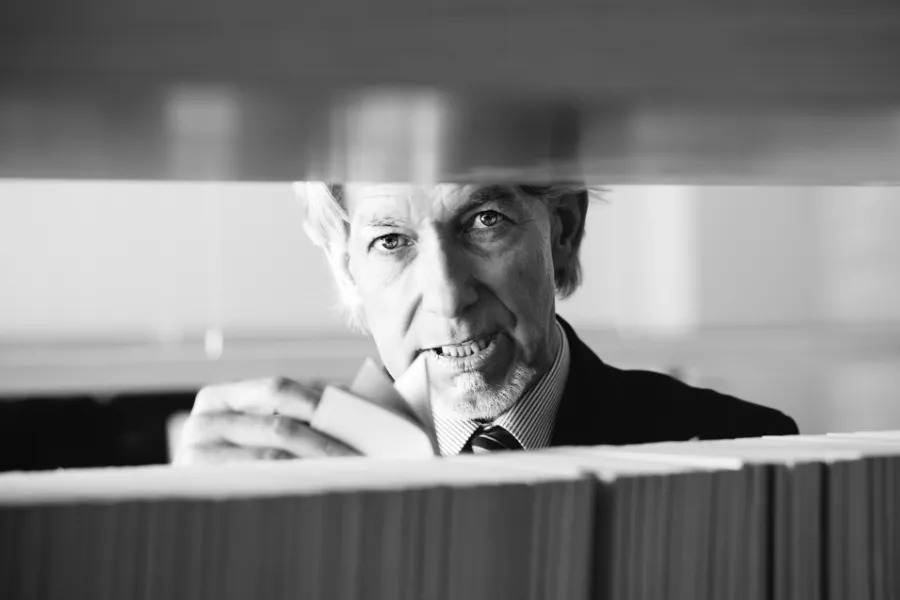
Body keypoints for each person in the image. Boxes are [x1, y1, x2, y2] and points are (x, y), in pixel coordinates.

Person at [175, 183, 798, 464]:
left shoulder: (744, 449)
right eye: (392, 241)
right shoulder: (282, 478)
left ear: (563, 232)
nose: (449, 299)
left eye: (484, 221)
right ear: (349, 271)